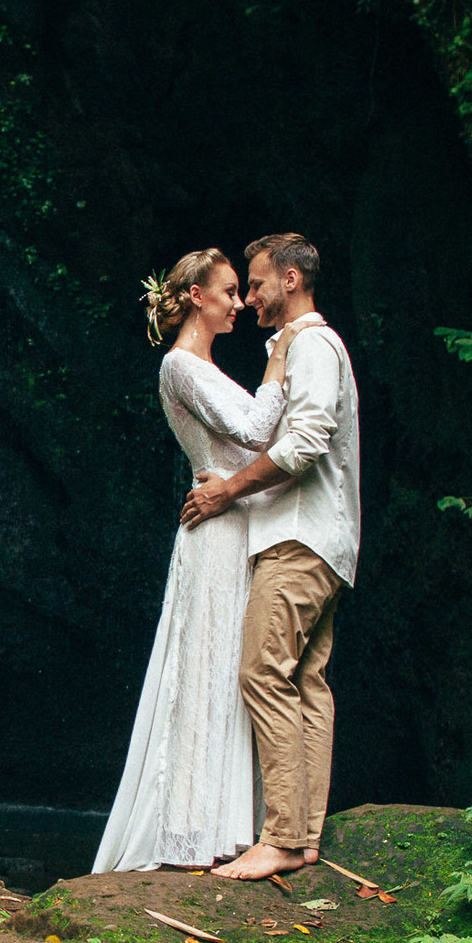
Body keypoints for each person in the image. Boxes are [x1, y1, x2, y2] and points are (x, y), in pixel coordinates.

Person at [92, 248, 286, 872]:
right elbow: (255, 430)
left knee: (232, 668)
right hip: (217, 531)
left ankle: (228, 825)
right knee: (205, 670)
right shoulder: (180, 365)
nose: (240, 303)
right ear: (197, 296)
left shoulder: (203, 367)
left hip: (236, 523)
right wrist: (281, 358)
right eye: (229, 291)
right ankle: (190, 831)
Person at [181, 232, 361, 880]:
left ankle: (282, 836)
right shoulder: (310, 346)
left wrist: (230, 488)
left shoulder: (311, 345)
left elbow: (306, 441)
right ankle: (305, 836)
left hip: (298, 537)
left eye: (255, 284)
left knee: (262, 671)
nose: (249, 297)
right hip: (326, 540)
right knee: (306, 681)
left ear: (290, 279)